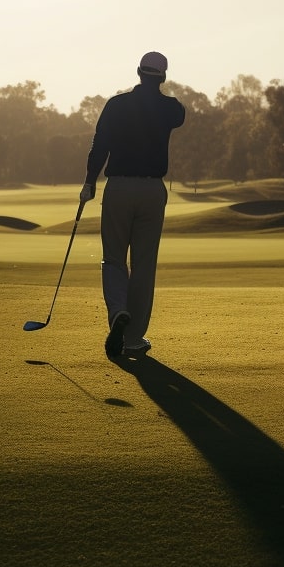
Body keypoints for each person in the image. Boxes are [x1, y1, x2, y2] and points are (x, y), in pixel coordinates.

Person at [80, 51, 186, 359]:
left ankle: (117, 312)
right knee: (143, 265)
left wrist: (89, 181)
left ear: (138, 73)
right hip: (152, 190)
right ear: (162, 78)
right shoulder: (171, 109)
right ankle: (134, 339)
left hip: (119, 188)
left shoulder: (116, 105)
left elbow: (99, 145)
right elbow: (178, 113)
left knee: (114, 258)